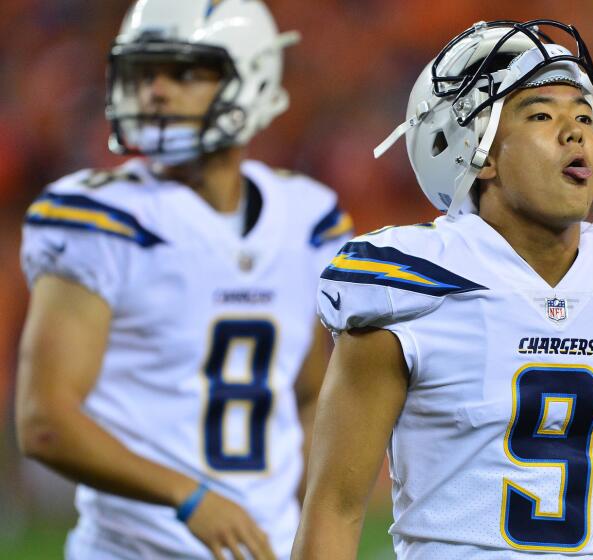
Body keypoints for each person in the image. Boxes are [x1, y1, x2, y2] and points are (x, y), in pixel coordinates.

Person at [293, 20, 593, 559]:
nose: (574, 132)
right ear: (479, 152)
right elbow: (334, 511)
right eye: (541, 115)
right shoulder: (407, 286)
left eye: (585, 116)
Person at [15, 1, 352, 559]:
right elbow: (44, 421)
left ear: (253, 78)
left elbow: (314, 395)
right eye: (146, 73)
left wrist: (305, 519)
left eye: (185, 73)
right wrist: (191, 497)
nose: (157, 92)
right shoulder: (101, 219)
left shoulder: (307, 219)